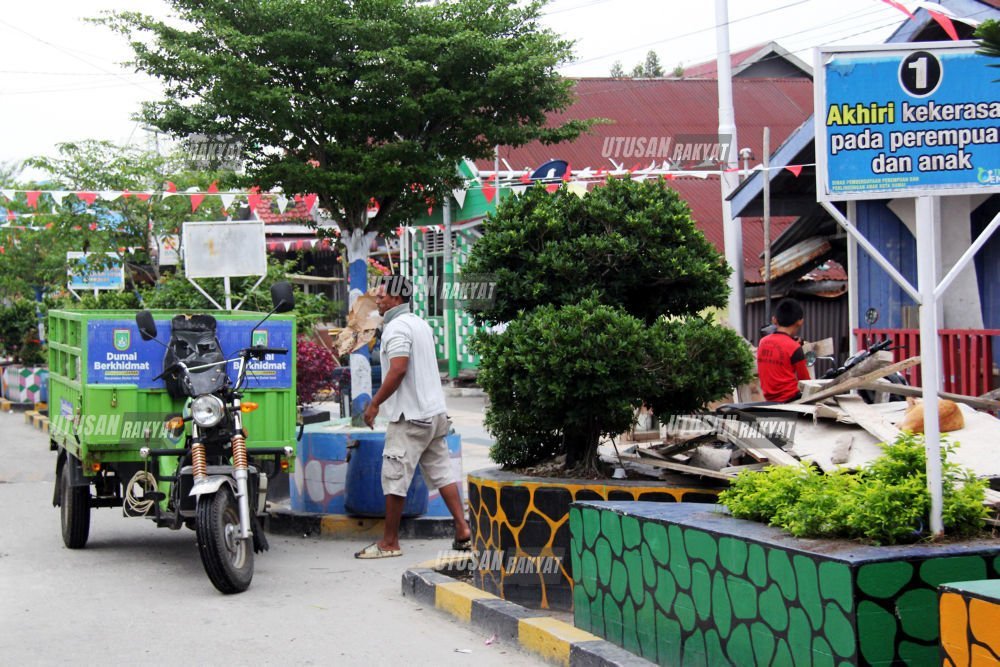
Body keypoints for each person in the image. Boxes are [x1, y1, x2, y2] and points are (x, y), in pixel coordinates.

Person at [356, 275, 472, 559]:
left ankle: (390, 542)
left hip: (409, 416)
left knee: (394, 475)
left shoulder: (396, 329)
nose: (378, 300)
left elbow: (398, 369)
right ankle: (462, 530)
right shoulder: (420, 324)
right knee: (442, 472)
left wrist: (374, 404)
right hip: (434, 413)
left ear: (396, 298)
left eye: (382, 295)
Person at [756, 298, 810, 403]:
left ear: (774, 320)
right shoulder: (795, 348)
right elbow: (806, 382)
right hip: (791, 400)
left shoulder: (762, 342)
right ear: (800, 322)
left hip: (769, 400)